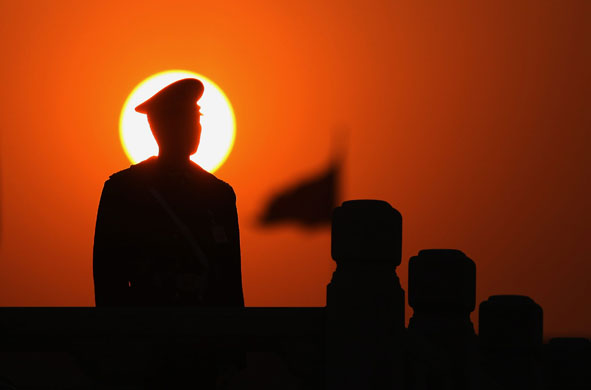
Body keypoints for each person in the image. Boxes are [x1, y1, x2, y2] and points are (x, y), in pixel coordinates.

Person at [93, 78, 244, 307]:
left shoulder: (219, 194)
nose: (196, 126)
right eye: (186, 118)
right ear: (160, 127)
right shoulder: (124, 190)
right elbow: (109, 278)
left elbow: (230, 285)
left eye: (197, 117)